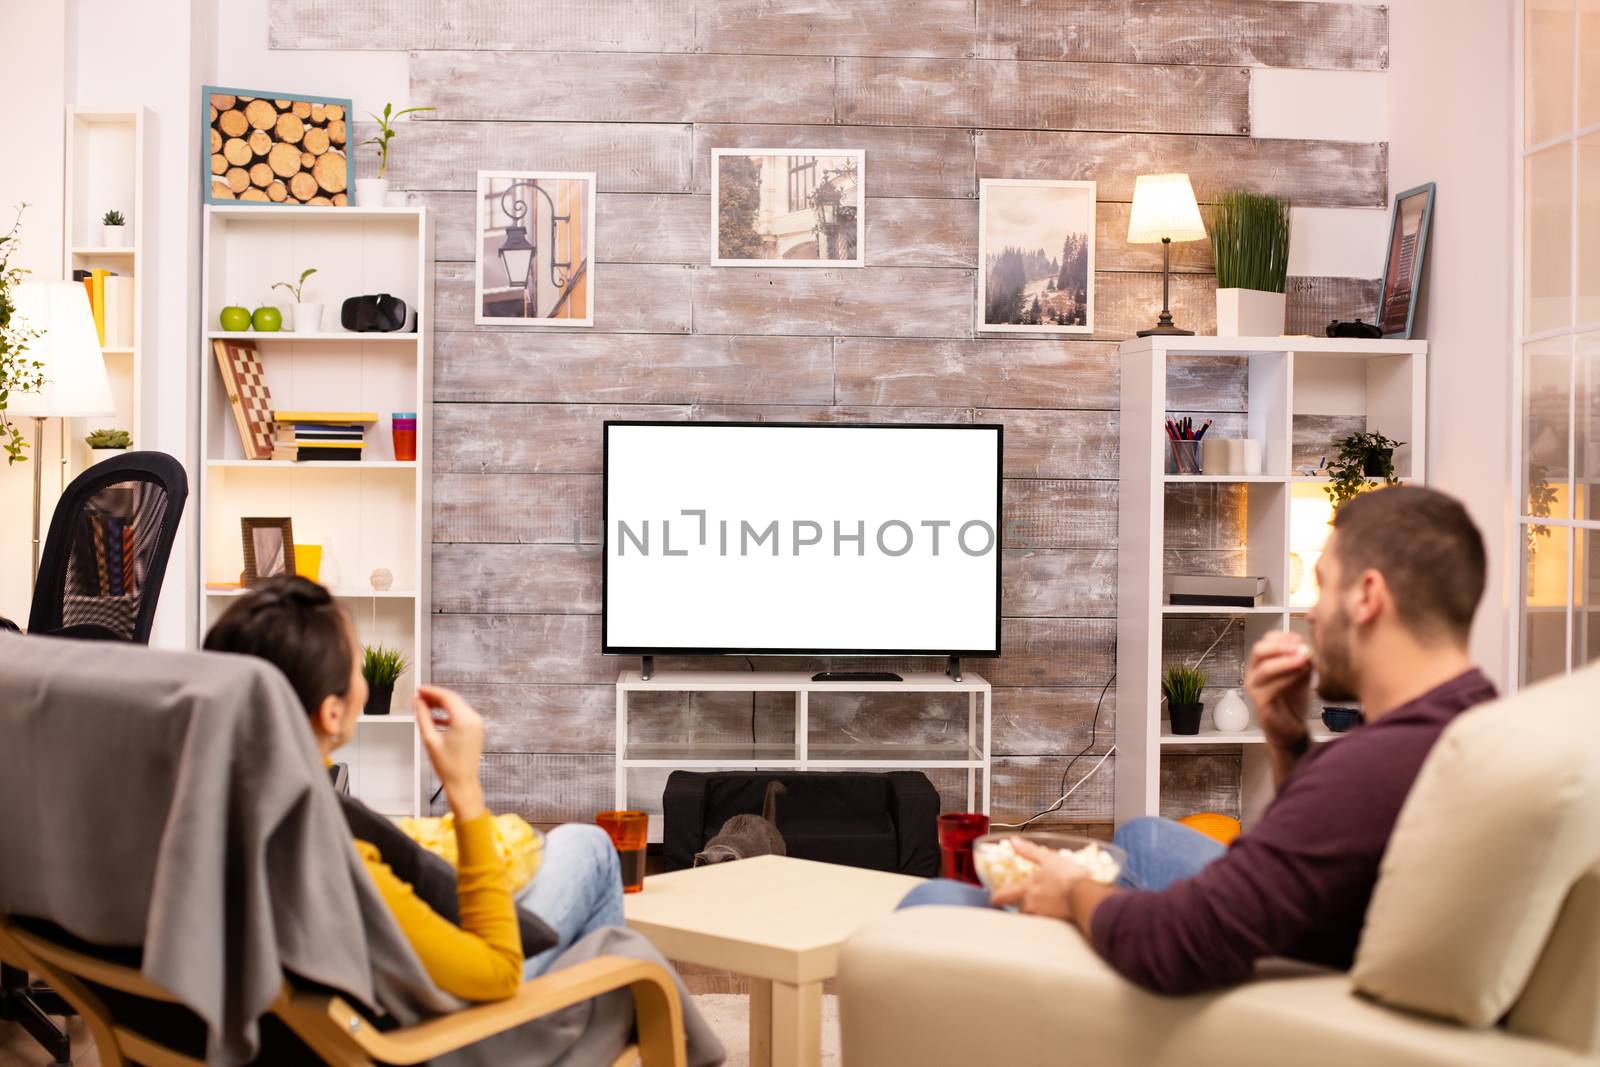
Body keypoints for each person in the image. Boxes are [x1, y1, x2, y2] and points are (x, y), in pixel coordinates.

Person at [901, 485, 1496, 994]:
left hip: (1270, 976)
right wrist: (1288, 739)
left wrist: (1074, 891)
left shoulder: (1368, 771)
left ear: (1368, 597)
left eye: (1322, 586)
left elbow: (1174, 942)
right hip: (1327, 922)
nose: (1312, 614)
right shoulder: (1473, 712)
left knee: (932, 908)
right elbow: (1326, 839)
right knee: (1142, 837)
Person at [203, 576, 624, 998]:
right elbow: (498, 972)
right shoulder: (331, 857)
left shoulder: (204, 810)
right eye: (357, 664)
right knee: (590, 848)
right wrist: (462, 785)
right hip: (442, 1036)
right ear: (332, 713)